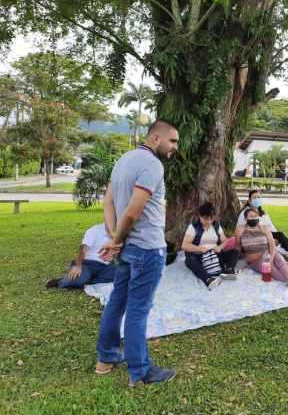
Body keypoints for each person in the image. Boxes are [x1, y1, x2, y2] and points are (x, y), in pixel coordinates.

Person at [96, 119, 179, 387]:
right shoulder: (152, 164)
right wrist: (116, 238)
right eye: (173, 141)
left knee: (117, 302)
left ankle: (105, 358)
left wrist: (113, 237)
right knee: (137, 310)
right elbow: (133, 210)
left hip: (128, 247)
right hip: (147, 248)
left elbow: (108, 202)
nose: (175, 147)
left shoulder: (124, 159)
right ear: (156, 138)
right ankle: (141, 372)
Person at [235, 207, 288, 286]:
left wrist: (271, 257)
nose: (254, 218)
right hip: (255, 261)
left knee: (280, 262)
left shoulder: (264, 228)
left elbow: (272, 245)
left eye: (255, 216)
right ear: (246, 219)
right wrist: (236, 261)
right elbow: (238, 247)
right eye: (251, 216)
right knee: (272, 269)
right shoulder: (240, 229)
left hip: (268, 254)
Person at [181, 202, 239, 290]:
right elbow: (184, 245)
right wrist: (200, 249)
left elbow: (225, 241)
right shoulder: (193, 227)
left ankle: (228, 270)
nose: (208, 221)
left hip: (215, 254)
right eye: (205, 219)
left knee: (235, 251)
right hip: (198, 256)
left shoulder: (216, 226)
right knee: (191, 260)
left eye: (211, 219)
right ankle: (208, 279)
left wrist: (220, 247)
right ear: (199, 216)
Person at [237, 190, 288, 261]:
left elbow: (271, 227)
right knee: (282, 241)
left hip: (269, 235)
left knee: (282, 237)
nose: (257, 199)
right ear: (249, 201)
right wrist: (270, 239)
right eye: (254, 197)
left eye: (259, 197)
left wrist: (275, 238)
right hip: (256, 238)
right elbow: (244, 230)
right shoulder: (245, 213)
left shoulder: (263, 213)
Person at [46, 223, 117, 289]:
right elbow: (82, 249)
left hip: (106, 266)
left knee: (121, 276)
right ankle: (59, 282)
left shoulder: (122, 231)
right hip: (87, 263)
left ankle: (87, 282)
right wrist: (78, 266)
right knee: (81, 278)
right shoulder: (95, 230)